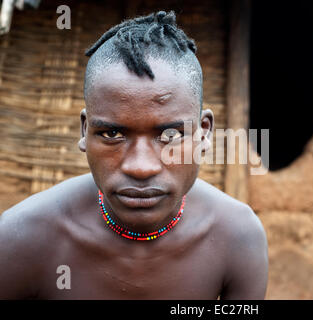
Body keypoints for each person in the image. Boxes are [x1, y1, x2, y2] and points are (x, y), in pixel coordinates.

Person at [0, 11, 268, 299]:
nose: (141, 167)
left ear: (204, 132)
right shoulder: (22, 238)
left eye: (170, 136)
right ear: (85, 130)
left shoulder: (238, 238)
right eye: (113, 134)